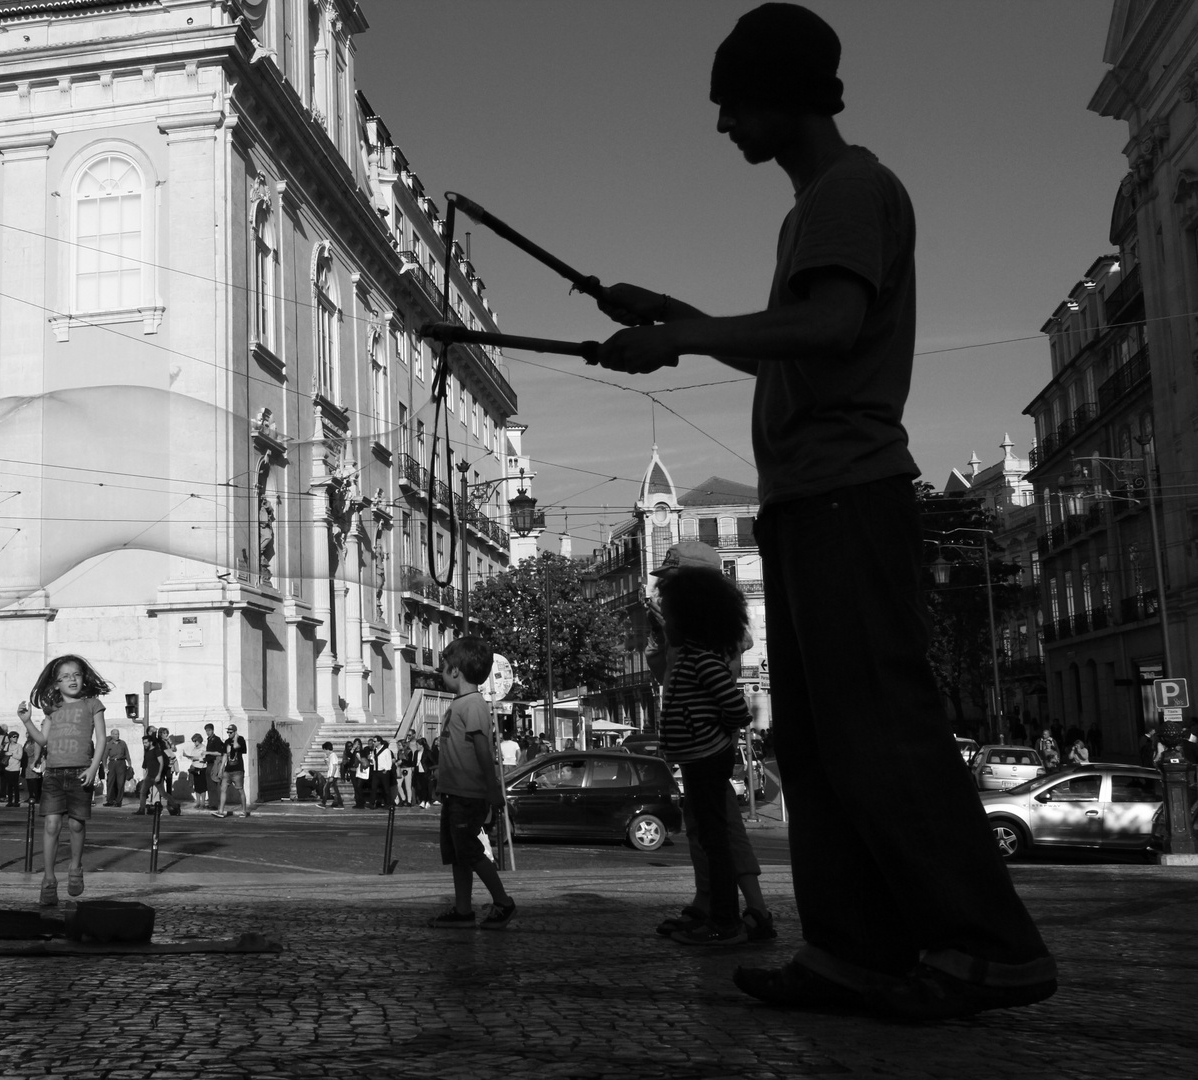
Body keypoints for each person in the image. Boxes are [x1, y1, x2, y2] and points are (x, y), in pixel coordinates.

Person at [592, 3, 1053, 1018]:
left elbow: (830, 323)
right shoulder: (819, 205)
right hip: (814, 499)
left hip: (847, 491)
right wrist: (676, 315)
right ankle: (854, 950)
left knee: (880, 727)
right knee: (814, 741)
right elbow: (797, 322)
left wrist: (686, 335)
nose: (722, 127)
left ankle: (990, 944)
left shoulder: (850, 191)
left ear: (780, 95)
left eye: (732, 104)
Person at [647, 541, 776, 946]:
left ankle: (742, 912)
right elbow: (662, 673)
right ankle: (713, 905)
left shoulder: (708, 629)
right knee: (705, 827)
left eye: (670, 584)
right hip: (701, 745)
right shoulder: (686, 625)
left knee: (719, 829)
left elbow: (725, 692)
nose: (661, 593)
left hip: (708, 746)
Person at [427, 636, 515, 929]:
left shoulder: (474, 704)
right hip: (454, 793)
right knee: (458, 855)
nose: (441, 673)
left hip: (467, 795)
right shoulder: (462, 703)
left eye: (443, 668)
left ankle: (502, 901)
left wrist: (492, 790)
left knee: (470, 852)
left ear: (454, 671)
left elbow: (482, 750)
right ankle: (463, 909)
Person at [18, 654, 108, 907]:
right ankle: (48, 879)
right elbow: (43, 740)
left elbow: (101, 739)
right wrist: (26, 721)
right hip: (54, 774)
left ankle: (75, 868)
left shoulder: (93, 704)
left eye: (76, 674)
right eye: (65, 676)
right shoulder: (52, 710)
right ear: (56, 683)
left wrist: (93, 768)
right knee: (51, 826)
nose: (72, 679)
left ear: (84, 678)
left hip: (81, 772)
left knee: (77, 825)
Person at [214, 723, 250, 818]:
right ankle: (221, 811)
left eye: (230, 732)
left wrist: (236, 738)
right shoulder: (226, 742)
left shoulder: (240, 740)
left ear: (235, 732)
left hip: (238, 770)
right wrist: (221, 768)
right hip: (228, 770)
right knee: (223, 789)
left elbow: (238, 748)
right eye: (228, 732)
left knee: (240, 790)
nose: (228, 734)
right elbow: (225, 755)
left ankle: (243, 811)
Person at [103, 727, 131, 808]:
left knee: (120, 783)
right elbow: (104, 756)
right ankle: (110, 800)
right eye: (115, 734)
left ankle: (119, 801)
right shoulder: (109, 744)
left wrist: (129, 763)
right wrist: (105, 767)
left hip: (121, 763)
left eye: (118, 734)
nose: (117, 735)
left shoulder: (123, 743)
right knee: (110, 782)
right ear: (111, 735)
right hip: (112, 763)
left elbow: (127, 754)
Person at [182, 733, 209, 809]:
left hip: (202, 767)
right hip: (195, 767)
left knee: (202, 787)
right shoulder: (194, 748)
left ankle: (203, 803)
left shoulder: (203, 748)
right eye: (193, 741)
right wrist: (187, 756)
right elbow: (193, 758)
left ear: (199, 740)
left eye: (195, 741)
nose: (194, 742)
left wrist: (193, 757)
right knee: (196, 786)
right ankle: (198, 802)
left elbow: (202, 758)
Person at [203, 723, 225, 809]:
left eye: (209, 730)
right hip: (209, 763)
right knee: (209, 785)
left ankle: (214, 804)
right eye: (206, 731)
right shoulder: (209, 739)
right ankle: (211, 803)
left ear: (212, 730)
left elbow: (219, 752)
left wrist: (208, 753)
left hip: (214, 764)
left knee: (213, 784)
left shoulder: (216, 739)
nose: (207, 732)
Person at [318, 741, 342, 809]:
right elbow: (330, 766)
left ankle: (323, 803)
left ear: (327, 749)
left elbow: (335, 767)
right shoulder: (331, 756)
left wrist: (332, 776)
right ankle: (340, 804)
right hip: (332, 775)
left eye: (325, 750)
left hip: (333, 776)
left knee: (326, 788)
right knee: (335, 790)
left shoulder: (333, 755)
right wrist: (326, 760)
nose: (325, 752)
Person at [2, 731, 23, 806]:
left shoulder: (19, 746)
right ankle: (10, 801)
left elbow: (20, 757)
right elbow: (4, 754)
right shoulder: (7, 745)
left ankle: (16, 801)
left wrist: (12, 754)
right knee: (9, 785)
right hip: (8, 768)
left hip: (15, 768)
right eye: (14, 737)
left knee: (15, 785)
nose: (15, 738)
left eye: (17, 737)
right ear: (10, 738)